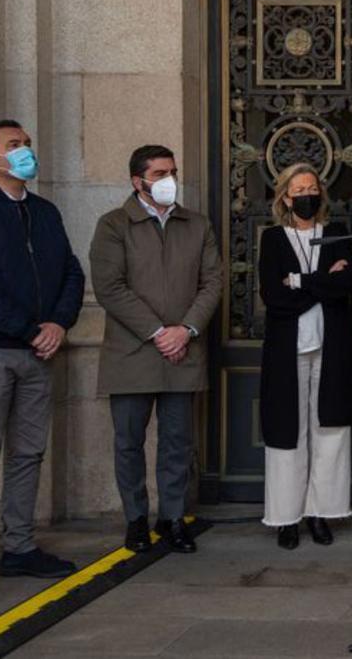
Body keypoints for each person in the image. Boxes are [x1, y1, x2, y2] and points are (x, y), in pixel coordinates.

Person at [90, 145, 223, 555]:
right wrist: (156, 332)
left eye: (173, 172)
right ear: (138, 181)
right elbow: (110, 287)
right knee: (129, 441)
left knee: (177, 442)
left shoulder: (196, 225)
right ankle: (135, 520)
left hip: (183, 351)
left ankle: (172, 518)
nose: (169, 180)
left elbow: (213, 282)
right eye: (160, 173)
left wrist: (185, 330)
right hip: (132, 352)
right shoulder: (114, 225)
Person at [0, 119, 84, 582]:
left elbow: (71, 271)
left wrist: (59, 323)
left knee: (28, 454)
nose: (25, 151)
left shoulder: (45, 211)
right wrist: (29, 329)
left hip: (39, 352)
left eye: (27, 143)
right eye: (14, 145)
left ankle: (20, 547)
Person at [258, 163, 352, 550]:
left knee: (329, 429)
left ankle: (321, 513)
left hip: (330, 348)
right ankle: (286, 517)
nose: (307, 195)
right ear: (285, 196)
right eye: (299, 189)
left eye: (312, 187)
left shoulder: (334, 234)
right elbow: (274, 298)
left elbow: (346, 284)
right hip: (288, 350)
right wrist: (322, 282)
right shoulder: (273, 240)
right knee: (288, 432)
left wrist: (299, 280)